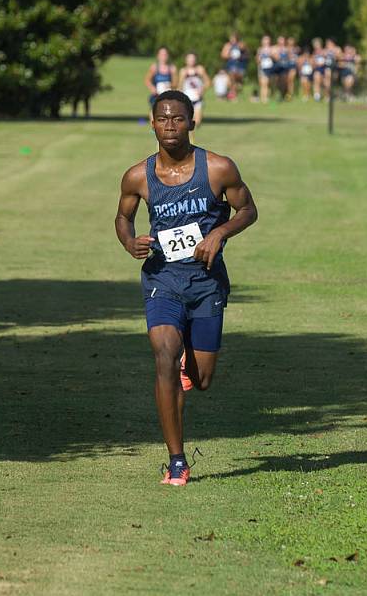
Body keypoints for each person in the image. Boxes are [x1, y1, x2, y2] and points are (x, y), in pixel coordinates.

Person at [114, 90, 258, 486]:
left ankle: (186, 367)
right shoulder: (137, 176)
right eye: (162, 119)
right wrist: (129, 242)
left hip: (206, 281)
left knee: (203, 378)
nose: (170, 126)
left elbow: (248, 209)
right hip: (162, 278)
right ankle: (177, 460)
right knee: (163, 356)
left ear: (192, 122)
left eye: (178, 119)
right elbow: (122, 217)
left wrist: (221, 233)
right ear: (152, 122)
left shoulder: (218, 168)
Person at [176, 52, 210, 129]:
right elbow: (180, 86)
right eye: (189, 59)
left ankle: (192, 136)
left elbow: (208, 82)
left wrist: (202, 90)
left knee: (197, 121)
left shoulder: (200, 69)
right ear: (186, 60)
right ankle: (188, 138)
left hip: (198, 99)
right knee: (186, 122)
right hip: (187, 99)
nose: (191, 60)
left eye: (193, 59)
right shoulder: (183, 71)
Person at [220, 34, 247, 100]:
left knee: (238, 78)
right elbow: (223, 55)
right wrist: (230, 55)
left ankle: (238, 85)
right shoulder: (227, 45)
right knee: (232, 80)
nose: (232, 40)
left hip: (240, 66)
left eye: (234, 38)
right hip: (231, 65)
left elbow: (245, 49)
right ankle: (233, 95)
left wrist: (240, 47)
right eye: (231, 38)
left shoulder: (240, 44)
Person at [256, 35, 276, 104]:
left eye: (267, 40)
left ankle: (270, 95)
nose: (266, 42)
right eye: (264, 40)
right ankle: (263, 99)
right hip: (262, 68)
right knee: (264, 83)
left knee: (270, 83)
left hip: (271, 69)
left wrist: (271, 54)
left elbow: (276, 58)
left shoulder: (272, 49)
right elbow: (257, 61)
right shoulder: (260, 49)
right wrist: (260, 57)